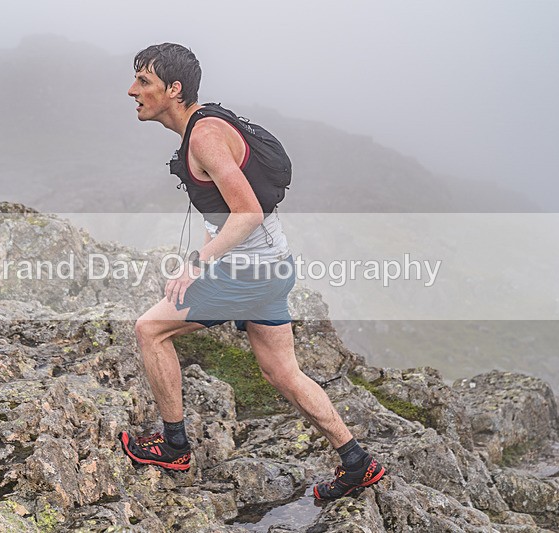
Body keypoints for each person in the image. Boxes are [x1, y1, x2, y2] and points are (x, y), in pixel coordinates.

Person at [119, 42, 385, 501]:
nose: (132, 90)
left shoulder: (204, 136)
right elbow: (225, 213)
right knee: (284, 373)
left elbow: (248, 212)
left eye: (144, 81)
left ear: (174, 89)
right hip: (272, 265)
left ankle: (174, 447)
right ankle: (357, 461)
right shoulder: (208, 123)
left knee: (150, 331)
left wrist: (196, 265)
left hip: (247, 273)